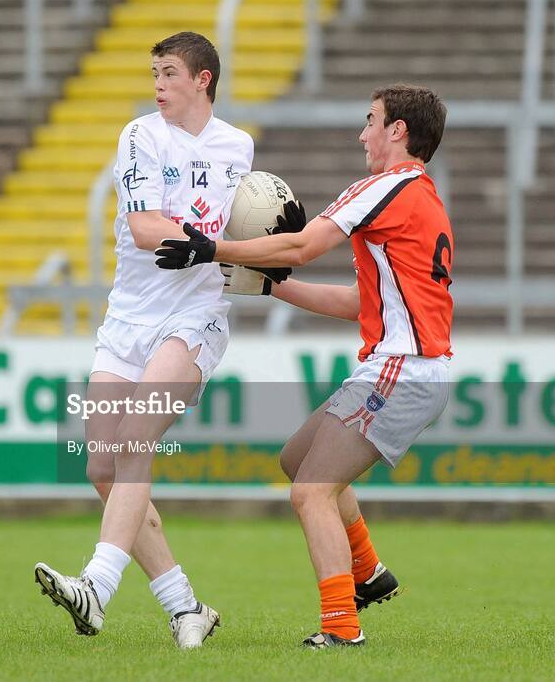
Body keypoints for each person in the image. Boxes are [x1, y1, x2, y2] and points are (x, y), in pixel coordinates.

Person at [155, 84, 453, 648]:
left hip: (402, 370)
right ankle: (367, 571)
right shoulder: (422, 197)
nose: (363, 134)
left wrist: (210, 248)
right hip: (403, 367)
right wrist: (271, 288)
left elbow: (301, 246)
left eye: (371, 122)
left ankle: (342, 629)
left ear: (398, 132)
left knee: (310, 492)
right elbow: (357, 304)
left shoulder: (382, 188)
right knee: (298, 460)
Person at [32, 31, 270, 648]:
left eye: (169, 74)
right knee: (102, 468)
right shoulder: (141, 135)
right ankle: (186, 606)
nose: (158, 84)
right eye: (154, 74)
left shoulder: (239, 148)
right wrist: (205, 238)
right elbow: (143, 230)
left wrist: (238, 249)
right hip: (129, 317)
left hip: (197, 315)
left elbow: (249, 227)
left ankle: (96, 587)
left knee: (138, 432)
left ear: (203, 79)